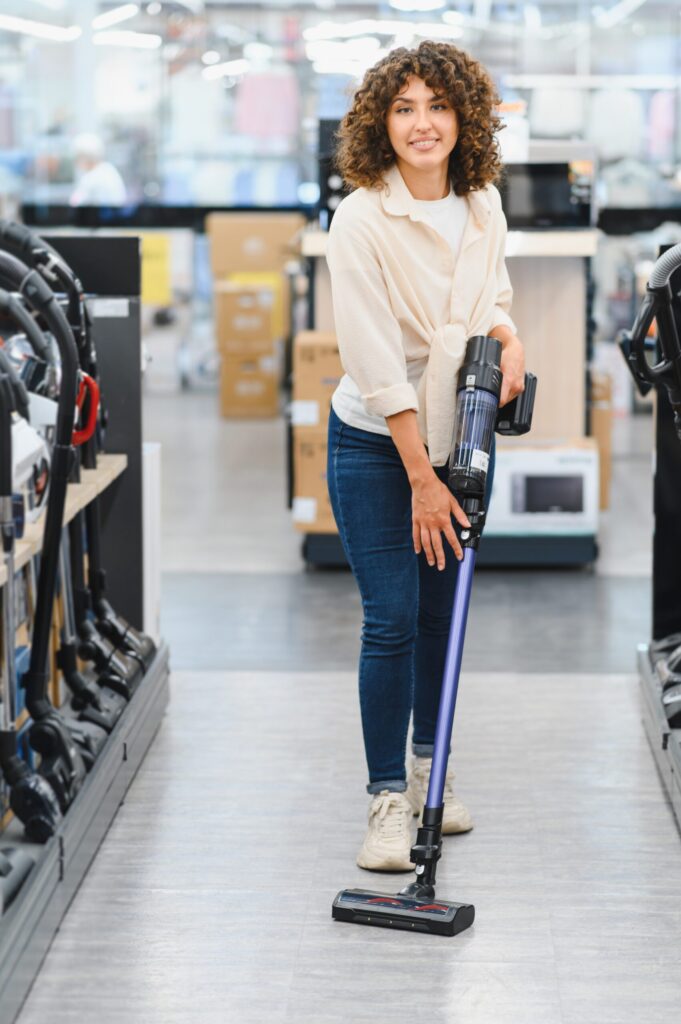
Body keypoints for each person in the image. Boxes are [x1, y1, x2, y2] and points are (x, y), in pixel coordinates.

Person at [326, 41, 526, 871]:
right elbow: (375, 363)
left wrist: (509, 339)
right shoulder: (362, 219)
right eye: (403, 108)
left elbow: (494, 295)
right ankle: (383, 801)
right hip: (381, 448)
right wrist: (420, 480)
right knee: (393, 620)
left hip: (463, 438)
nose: (421, 124)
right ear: (381, 120)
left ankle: (425, 772)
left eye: (436, 107)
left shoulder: (481, 203)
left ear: (462, 118)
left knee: (442, 621)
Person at [69, 133, 126, 206]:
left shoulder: (93, 178)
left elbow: (76, 204)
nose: (76, 163)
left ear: (84, 158)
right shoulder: (108, 170)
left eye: (77, 158)